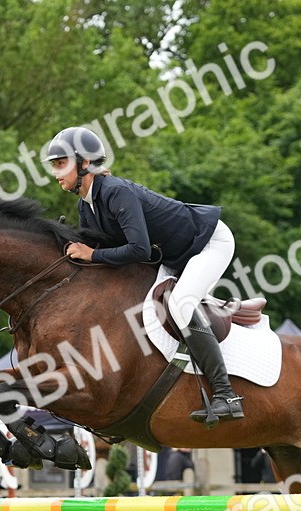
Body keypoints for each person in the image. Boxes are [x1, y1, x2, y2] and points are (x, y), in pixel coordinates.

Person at [43, 126, 243, 427]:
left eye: (61, 163)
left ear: (84, 164)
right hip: (175, 254)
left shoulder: (115, 192)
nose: (56, 173)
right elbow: (97, 248)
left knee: (179, 304)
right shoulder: (86, 205)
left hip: (209, 242)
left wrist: (91, 254)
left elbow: (135, 248)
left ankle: (226, 395)